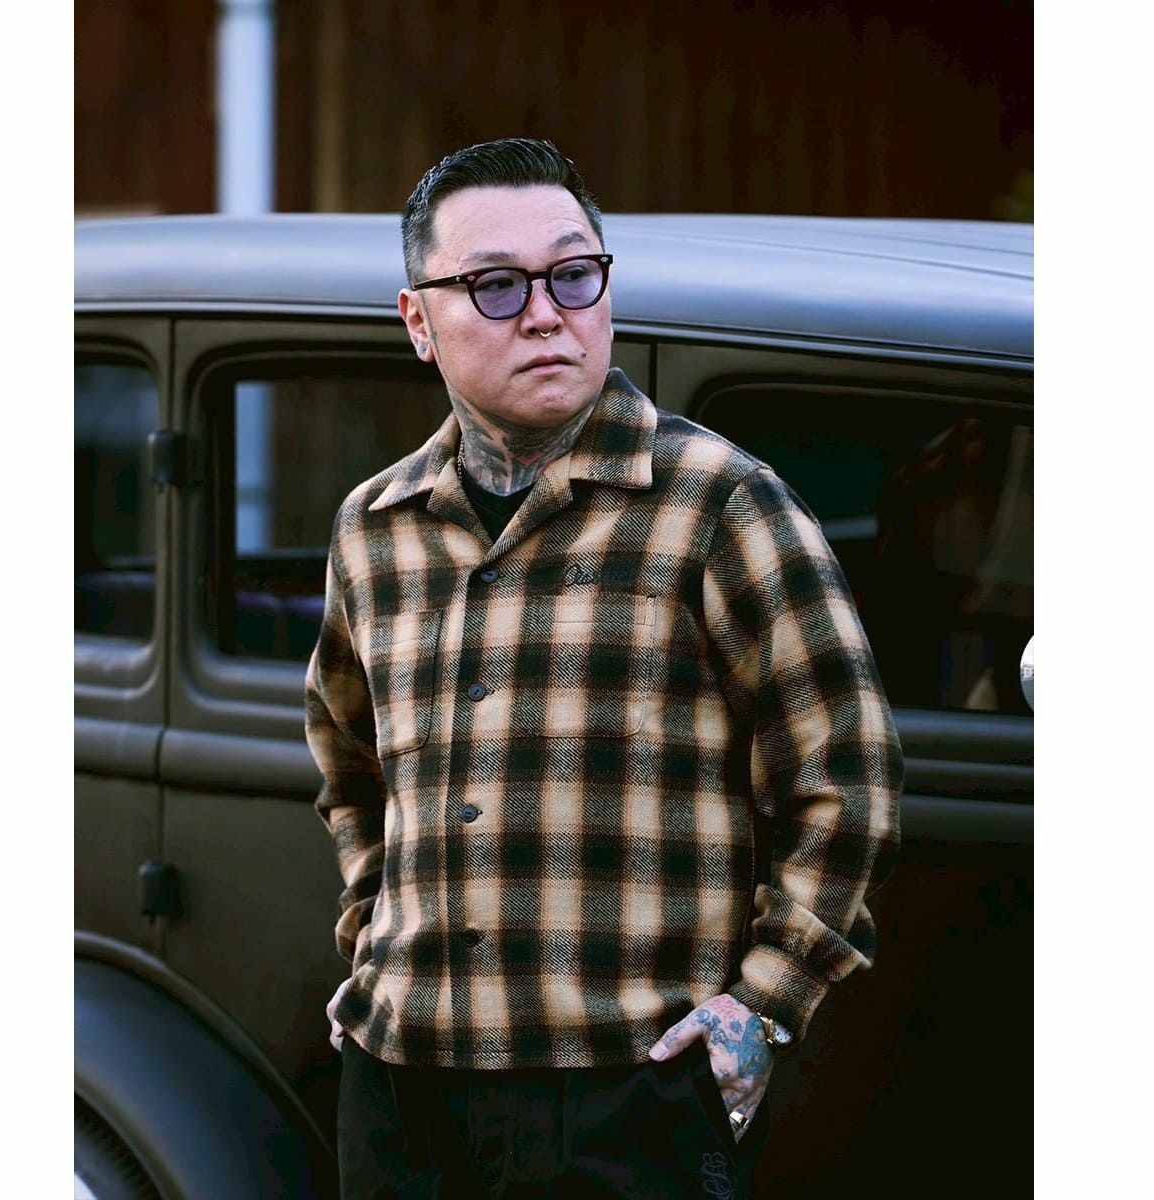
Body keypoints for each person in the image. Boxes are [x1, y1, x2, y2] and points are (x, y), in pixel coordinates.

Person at [305, 137, 903, 1199]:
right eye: (496, 286)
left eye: (574, 275)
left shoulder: (720, 503)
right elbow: (350, 766)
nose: (546, 314)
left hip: (630, 1093)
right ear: (418, 323)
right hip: (400, 1091)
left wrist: (763, 1005)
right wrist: (371, 940)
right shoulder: (373, 527)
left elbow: (845, 776)